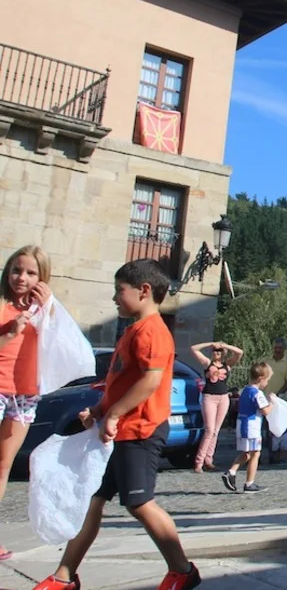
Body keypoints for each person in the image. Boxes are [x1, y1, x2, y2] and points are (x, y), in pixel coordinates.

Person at [33, 259, 200, 590]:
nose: (114, 298)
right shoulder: (134, 331)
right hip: (118, 432)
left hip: (140, 431)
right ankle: (65, 576)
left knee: (139, 503)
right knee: (92, 501)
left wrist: (112, 415)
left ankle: (183, 571)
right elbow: (122, 384)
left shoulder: (152, 331)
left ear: (144, 291)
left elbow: (151, 381)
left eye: (119, 290)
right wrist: (99, 411)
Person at [0, 246, 52, 561]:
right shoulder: (1, 305)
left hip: (25, 394)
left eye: (31, 272)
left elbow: (62, 346)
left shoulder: (45, 310)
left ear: (41, 277)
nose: (22, 277)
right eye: (17, 270)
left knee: (3, 465)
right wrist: (10, 333)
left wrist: (49, 309)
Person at [189, 340, 243, 473]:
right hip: (209, 398)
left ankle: (209, 460)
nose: (216, 353)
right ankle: (199, 462)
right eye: (215, 351)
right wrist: (210, 344)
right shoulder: (208, 363)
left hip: (223, 398)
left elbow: (239, 352)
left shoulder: (227, 365)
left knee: (216, 431)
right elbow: (194, 348)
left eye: (219, 351)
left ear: (223, 353)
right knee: (209, 430)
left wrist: (224, 345)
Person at [222, 362, 275, 494]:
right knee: (255, 453)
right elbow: (266, 411)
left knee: (246, 453)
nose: (267, 383)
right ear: (261, 378)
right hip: (252, 427)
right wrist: (272, 403)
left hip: (242, 424)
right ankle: (249, 483)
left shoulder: (245, 390)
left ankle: (231, 472)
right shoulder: (257, 393)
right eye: (267, 380)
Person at [261, 338, 287, 464]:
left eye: (280, 348)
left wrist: (278, 395)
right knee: (265, 429)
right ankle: (268, 455)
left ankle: (279, 455)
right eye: (276, 348)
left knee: (278, 428)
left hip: (280, 400)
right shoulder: (265, 361)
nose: (277, 350)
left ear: (284, 349)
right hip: (264, 399)